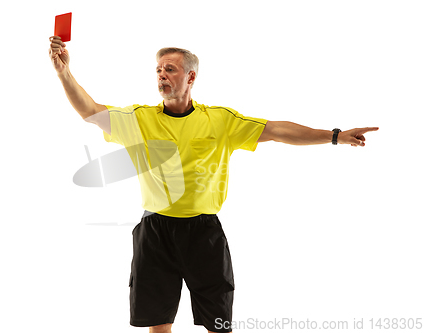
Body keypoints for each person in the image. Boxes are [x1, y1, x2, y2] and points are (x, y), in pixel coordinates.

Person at [48, 36, 378, 333]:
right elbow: (90, 111)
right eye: (159, 69)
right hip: (155, 231)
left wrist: (334, 136)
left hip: (203, 233)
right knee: (158, 324)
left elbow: (277, 130)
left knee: (218, 325)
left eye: (171, 69)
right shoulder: (139, 119)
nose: (162, 74)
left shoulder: (219, 120)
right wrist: (64, 72)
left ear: (191, 77)